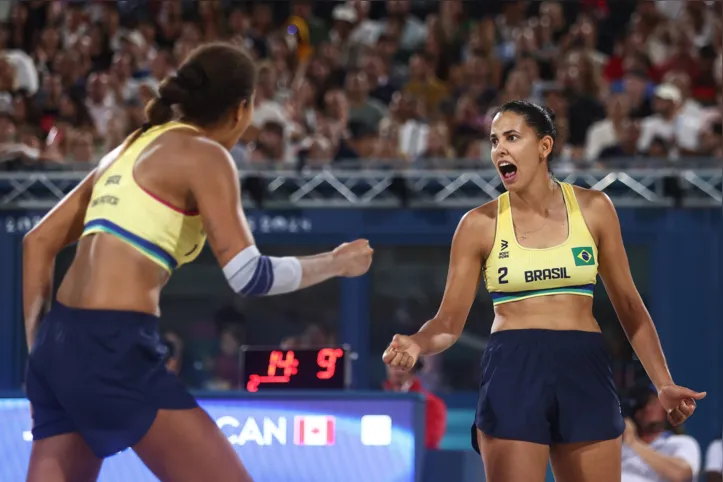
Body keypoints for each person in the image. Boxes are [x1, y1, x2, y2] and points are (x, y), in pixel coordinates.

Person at [22, 42, 373, 482]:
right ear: (242, 109)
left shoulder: (131, 146)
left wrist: (40, 354)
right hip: (113, 344)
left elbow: (37, 242)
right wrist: (336, 263)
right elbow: (250, 275)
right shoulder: (207, 155)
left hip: (57, 345)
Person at [382, 100, 705, 482]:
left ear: (544, 146)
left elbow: (631, 309)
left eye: (512, 137)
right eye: (494, 140)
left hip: (584, 367)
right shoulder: (478, 225)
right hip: (514, 367)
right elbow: (448, 322)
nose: (499, 149)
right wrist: (418, 342)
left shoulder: (595, 208)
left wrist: (663, 383)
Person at [621, 384, 701, 482]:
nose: (647, 409)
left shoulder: (681, 443)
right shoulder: (621, 449)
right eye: (642, 404)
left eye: (653, 402)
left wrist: (633, 442)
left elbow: (680, 475)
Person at [382, 358, 447, 449]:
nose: (395, 369)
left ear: (413, 367)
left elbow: (430, 440)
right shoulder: (377, 403)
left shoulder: (431, 404)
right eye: (391, 363)